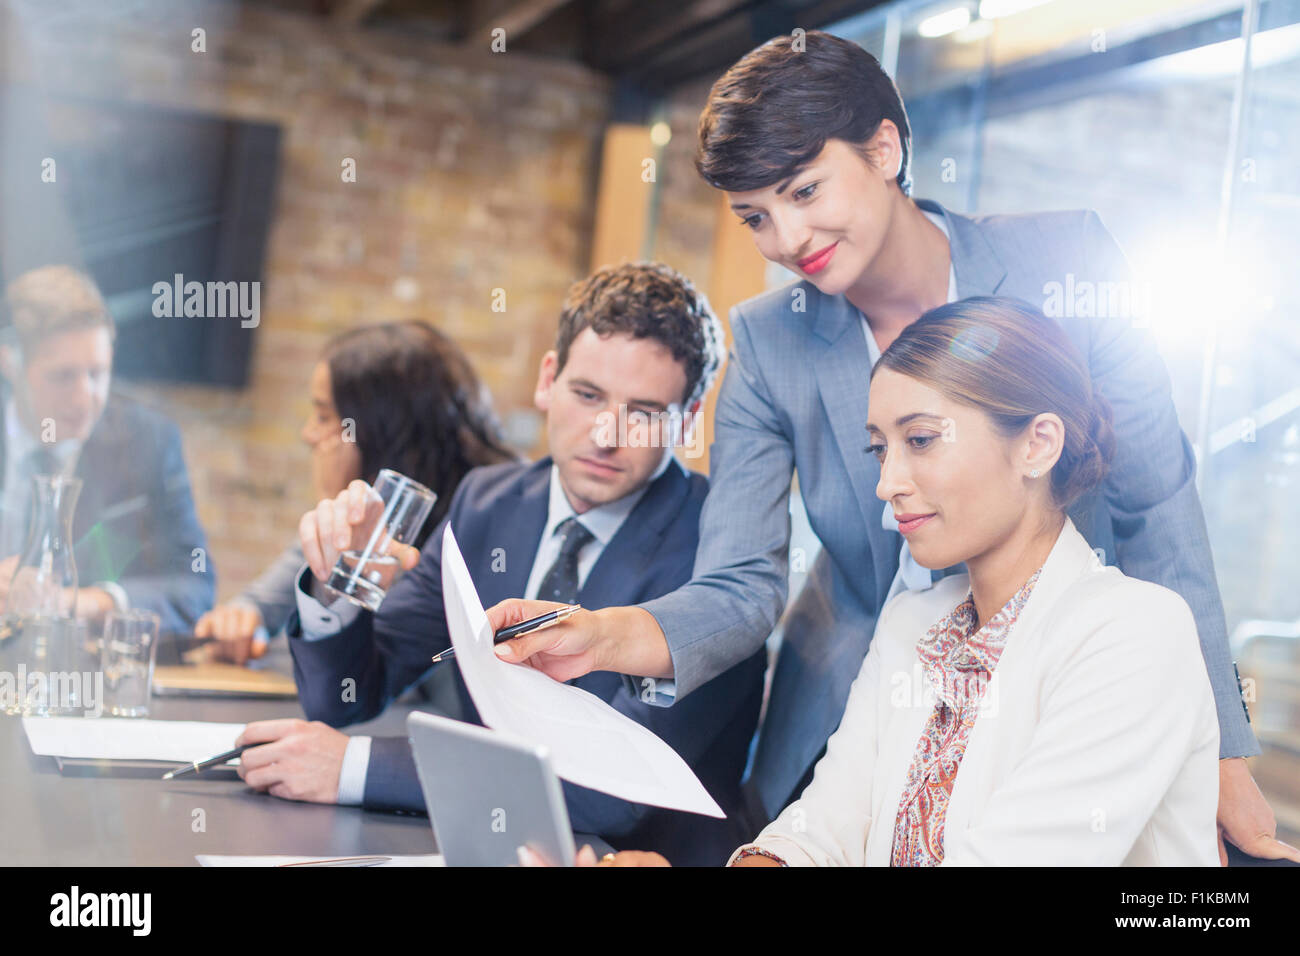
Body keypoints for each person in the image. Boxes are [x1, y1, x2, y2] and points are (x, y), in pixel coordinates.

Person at [485, 30, 1297, 864]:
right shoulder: (770, 341)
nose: (789, 239)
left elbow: (1155, 499)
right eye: (756, 216)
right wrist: (605, 637)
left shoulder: (1066, 261)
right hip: (864, 693)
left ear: (885, 147)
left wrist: (1221, 744)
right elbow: (741, 580)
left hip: (1057, 678)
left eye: (805, 191)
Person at [543, 298, 1222, 867]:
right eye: (880, 448)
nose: (887, 484)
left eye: (921, 440)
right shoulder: (911, 624)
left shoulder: (1135, 632)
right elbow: (822, 829)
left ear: (1038, 444)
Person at [233, 263, 766, 866]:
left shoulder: (722, 556)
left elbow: (608, 794)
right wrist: (339, 584)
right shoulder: (488, 502)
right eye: (587, 395)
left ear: (689, 418)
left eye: (643, 411)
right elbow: (348, 697)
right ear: (548, 379)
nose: (604, 435)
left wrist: (354, 766)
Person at [195, 319, 515, 663]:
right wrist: (242, 618)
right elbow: (263, 606)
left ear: (375, 428)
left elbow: (381, 664)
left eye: (322, 415)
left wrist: (334, 515)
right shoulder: (375, 500)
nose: (308, 433)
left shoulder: (484, 514)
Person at [0, 265, 213, 631]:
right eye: (63, 376)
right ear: (9, 362)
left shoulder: (148, 441)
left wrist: (84, 602)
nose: (85, 399)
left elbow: (194, 585)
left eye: (97, 373)